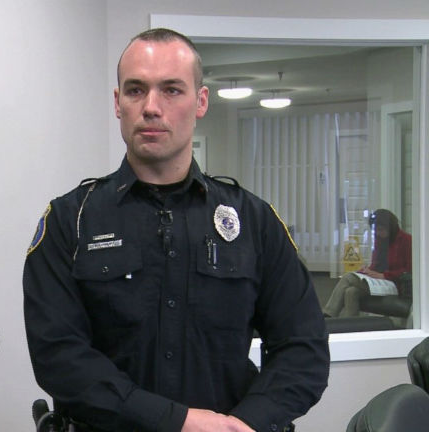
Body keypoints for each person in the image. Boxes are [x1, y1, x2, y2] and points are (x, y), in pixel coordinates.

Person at [23, 28, 329, 432]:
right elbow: (59, 357)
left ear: (200, 101)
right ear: (117, 103)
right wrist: (176, 422)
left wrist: (244, 423)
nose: (151, 107)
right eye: (136, 90)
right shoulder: (70, 221)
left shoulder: (254, 221)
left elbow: (303, 350)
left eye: (171, 90)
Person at [323, 209, 412, 318]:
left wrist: (384, 276)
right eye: (376, 230)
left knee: (348, 278)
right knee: (351, 292)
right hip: (379, 282)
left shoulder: (406, 240)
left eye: (381, 229)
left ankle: (328, 314)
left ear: (390, 227)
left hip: (395, 284)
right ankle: (350, 325)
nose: (378, 233)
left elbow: (408, 270)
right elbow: (376, 265)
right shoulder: (380, 240)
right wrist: (366, 271)